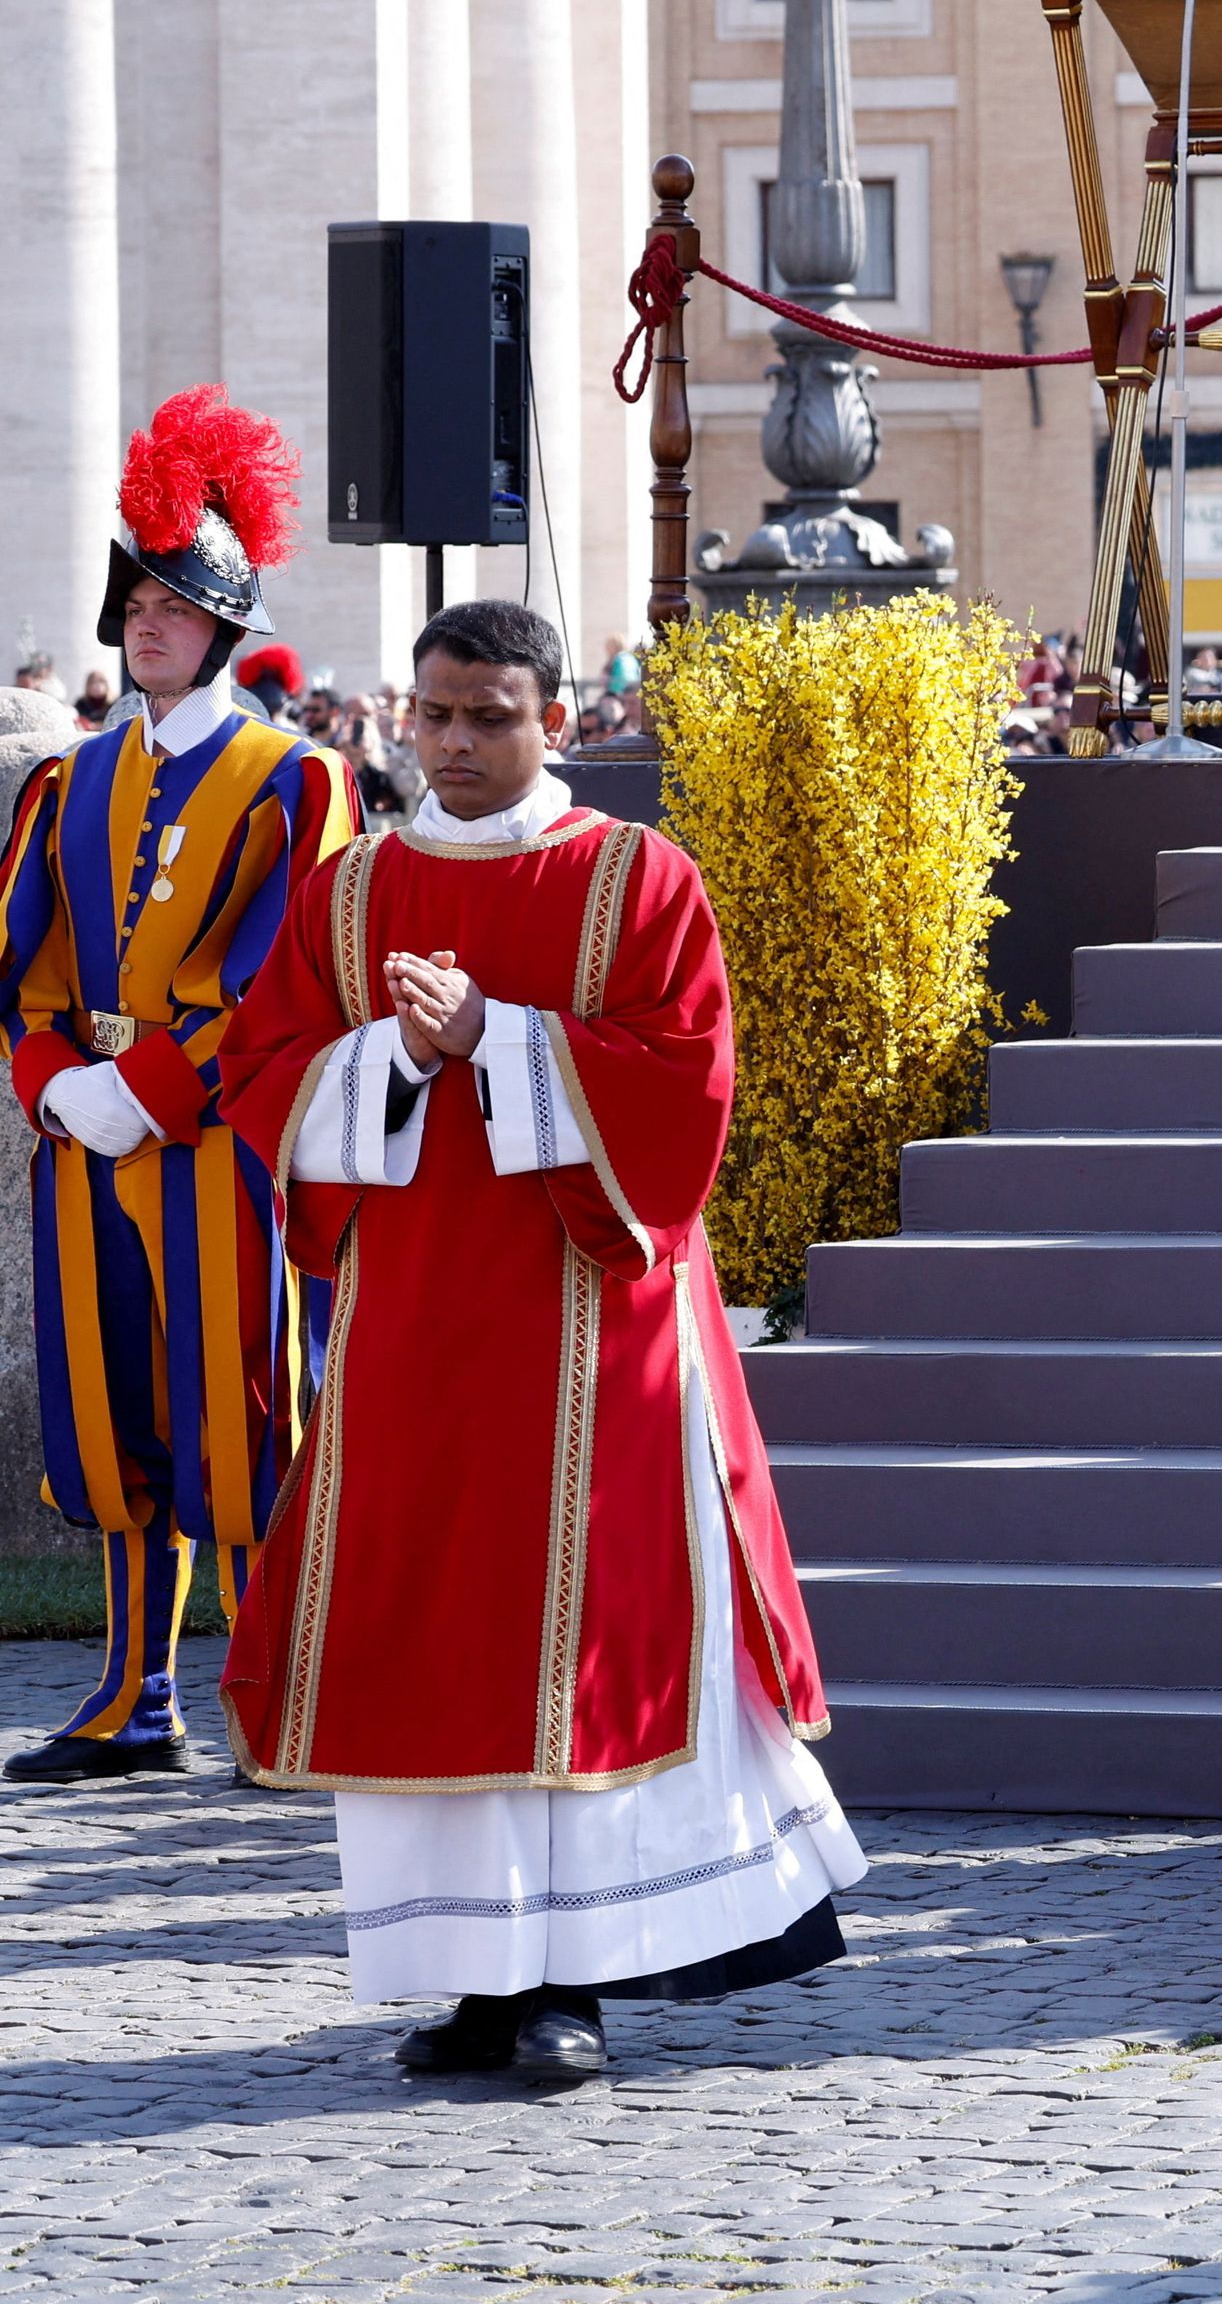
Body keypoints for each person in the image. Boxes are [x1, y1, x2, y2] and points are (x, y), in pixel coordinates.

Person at [218, 599, 862, 2088]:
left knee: (575, 1637)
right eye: (433, 714)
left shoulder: (640, 879)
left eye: (488, 715)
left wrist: (493, 1037)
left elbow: (685, 1095)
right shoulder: (349, 888)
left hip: (596, 1333)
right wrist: (393, 1053)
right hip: (408, 1336)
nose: (451, 742)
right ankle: (467, 1977)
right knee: (427, 1631)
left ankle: (573, 1977)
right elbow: (265, 1073)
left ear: (553, 719)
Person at [1, 388, 358, 1782]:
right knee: (110, 1414)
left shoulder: (295, 778)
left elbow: (293, 978)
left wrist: (148, 1085)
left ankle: (277, 1697)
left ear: (223, 619)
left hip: (216, 1139)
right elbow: (21, 967)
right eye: (135, 598)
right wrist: (54, 1084)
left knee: (242, 1413)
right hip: (82, 1133)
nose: (146, 619)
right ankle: (131, 1698)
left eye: (171, 599)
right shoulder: (67, 782)